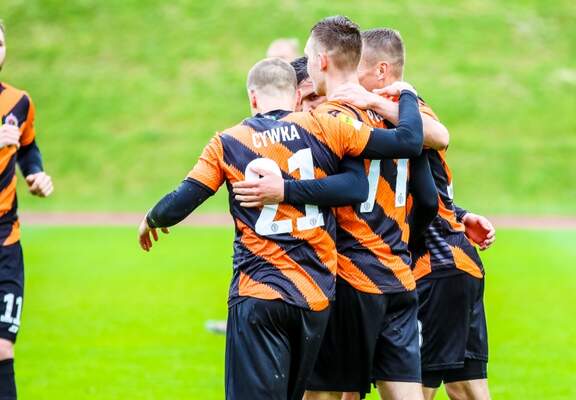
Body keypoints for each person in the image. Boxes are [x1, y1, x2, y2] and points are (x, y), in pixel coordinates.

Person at [138, 57, 425, 400]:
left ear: (253, 97)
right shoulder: (326, 127)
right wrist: (407, 95)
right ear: (295, 95)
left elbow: (185, 197)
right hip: (314, 296)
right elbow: (406, 143)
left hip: (260, 291)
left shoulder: (228, 142)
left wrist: (153, 218)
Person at [233, 16, 438, 400]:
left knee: (322, 394)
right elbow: (427, 195)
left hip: (351, 274)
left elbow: (347, 187)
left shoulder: (328, 120)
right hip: (399, 276)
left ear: (321, 61)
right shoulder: (392, 113)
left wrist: (283, 190)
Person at [331, 28, 496, 400]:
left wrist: (377, 102)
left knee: (412, 387)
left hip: (433, 265)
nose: (351, 79)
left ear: (382, 71)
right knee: (467, 388)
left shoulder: (402, 104)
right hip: (455, 261)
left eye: (358, 69)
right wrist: (462, 213)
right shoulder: (384, 115)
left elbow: (439, 135)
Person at [0, 21, 54, 399]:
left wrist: (35, 174)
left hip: (6, 241)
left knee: (2, 348)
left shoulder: (19, 102)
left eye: (0, 43)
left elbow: (28, 146)